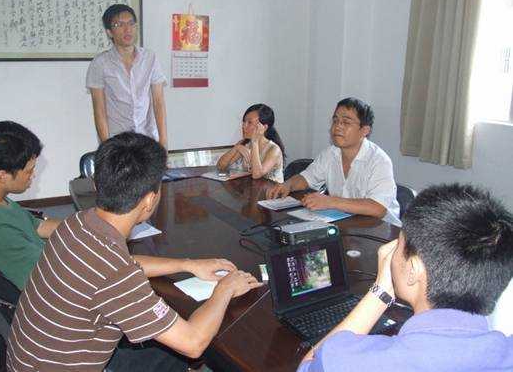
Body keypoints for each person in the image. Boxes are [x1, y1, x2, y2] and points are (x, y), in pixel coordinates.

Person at [6, 132, 263, 372]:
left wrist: (187, 264)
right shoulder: (115, 272)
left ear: (97, 183)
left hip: (32, 360)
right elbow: (193, 343)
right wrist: (225, 289)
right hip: (61, 365)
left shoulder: (77, 223)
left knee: (166, 356)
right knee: (185, 354)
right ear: (150, 200)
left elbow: (124, 263)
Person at [298, 183, 513, 372]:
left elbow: (309, 365)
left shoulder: (353, 362)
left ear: (413, 269)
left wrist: (380, 293)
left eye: (398, 246)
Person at [266, 97, 400, 225]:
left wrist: (330, 201)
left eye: (346, 122)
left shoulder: (379, 160)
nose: (337, 127)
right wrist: (288, 185)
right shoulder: (330, 153)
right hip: (347, 222)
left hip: (381, 229)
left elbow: (378, 208)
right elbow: (306, 178)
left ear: (365, 130)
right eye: (335, 121)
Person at [0, 121, 61, 291]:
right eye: (29, 171)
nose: (33, 175)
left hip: (46, 261)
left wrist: (84, 226)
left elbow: (37, 226)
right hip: (49, 287)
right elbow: (49, 284)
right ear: (2, 175)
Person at [86, 4, 168, 148]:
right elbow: (99, 111)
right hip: (117, 142)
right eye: (119, 25)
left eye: (131, 23)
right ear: (109, 32)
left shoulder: (150, 58)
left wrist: (163, 142)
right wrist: (107, 148)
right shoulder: (100, 63)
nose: (127, 29)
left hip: (147, 139)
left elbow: (158, 102)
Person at [217, 103, 285, 183]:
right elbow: (220, 166)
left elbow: (257, 174)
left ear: (264, 127)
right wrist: (236, 148)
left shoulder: (274, 150)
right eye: (244, 122)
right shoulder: (245, 143)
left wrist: (255, 142)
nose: (244, 126)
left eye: (249, 122)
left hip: (271, 190)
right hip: (250, 189)